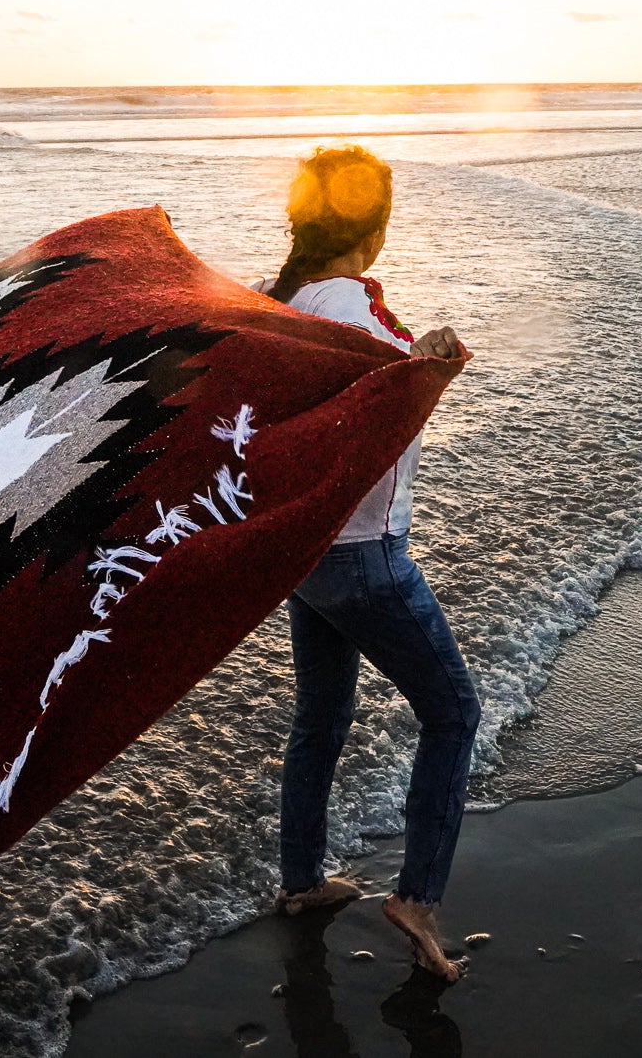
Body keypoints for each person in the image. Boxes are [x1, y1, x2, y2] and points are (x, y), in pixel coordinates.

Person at [256, 144, 479, 984]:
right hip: (365, 555)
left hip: (307, 554)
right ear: (374, 229)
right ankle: (418, 898)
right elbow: (386, 416)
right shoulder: (352, 311)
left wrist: (417, 362)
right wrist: (431, 363)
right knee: (454, 710)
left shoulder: (280, 302)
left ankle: (303, 880)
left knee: (322, 713)